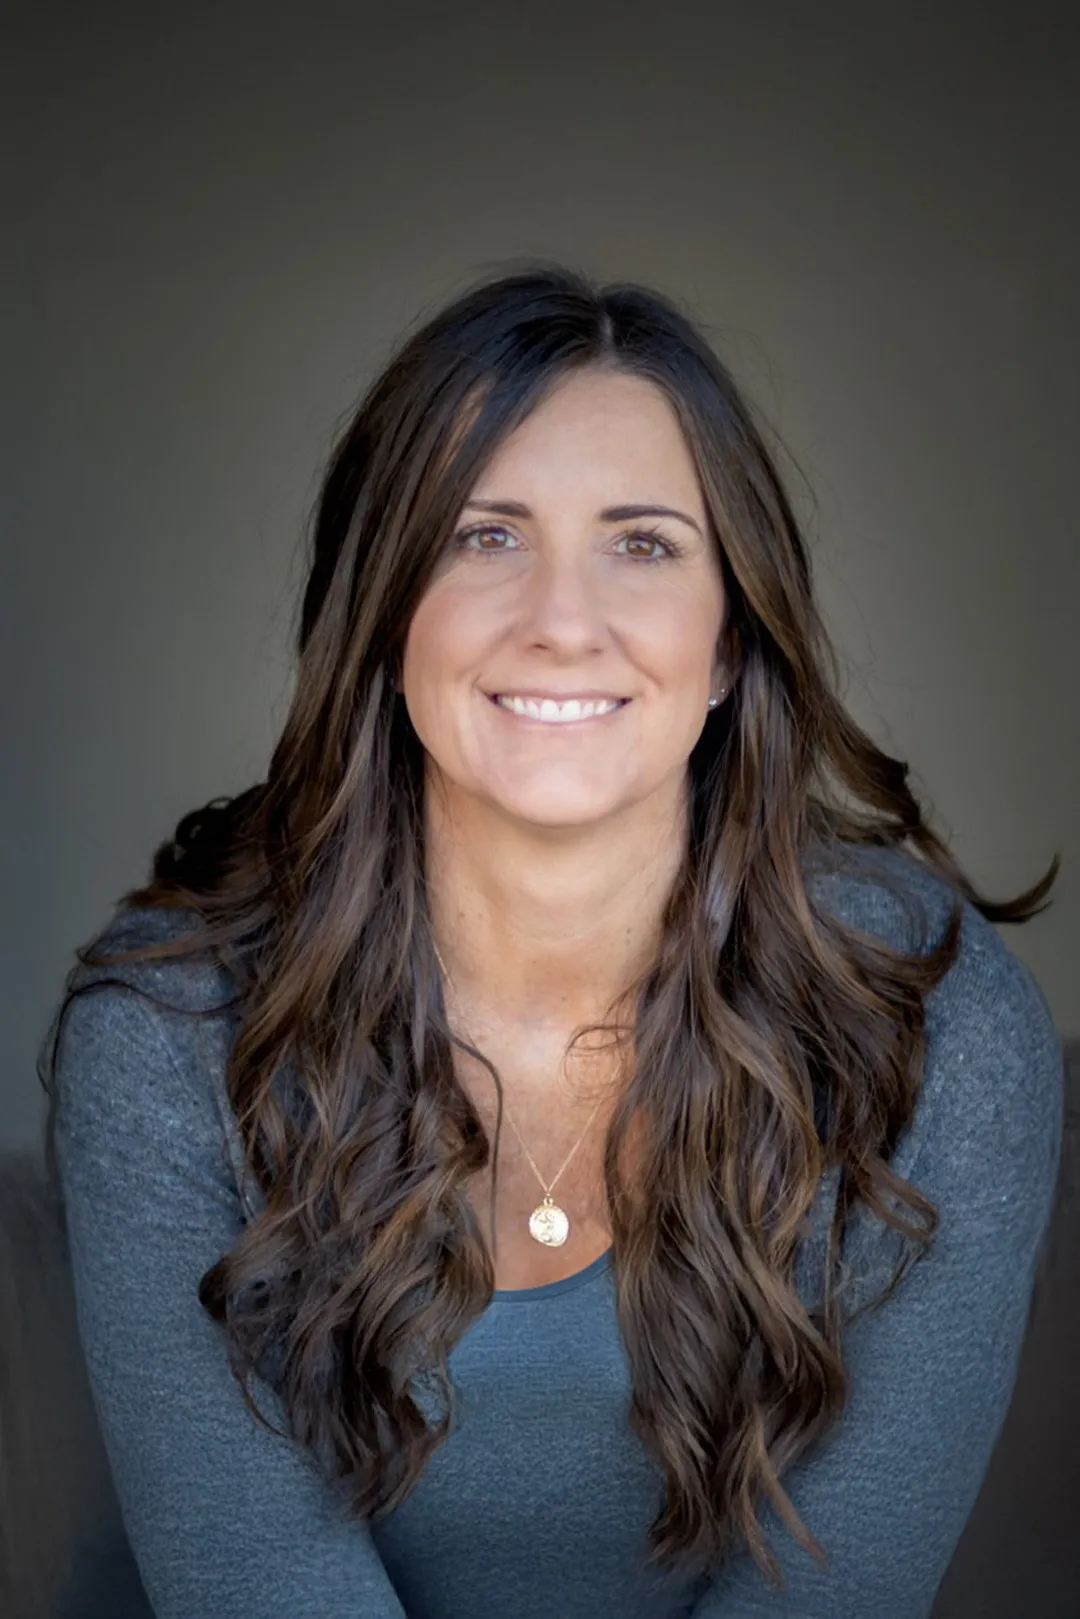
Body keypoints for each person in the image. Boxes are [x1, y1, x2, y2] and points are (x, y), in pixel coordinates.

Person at [40, 262, 1064, 1619]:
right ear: (383, 617)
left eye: (642, 543)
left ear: (731, 645)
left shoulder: (937, 1030)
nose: (563, 621)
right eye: (484, 535)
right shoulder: (170, 1032)